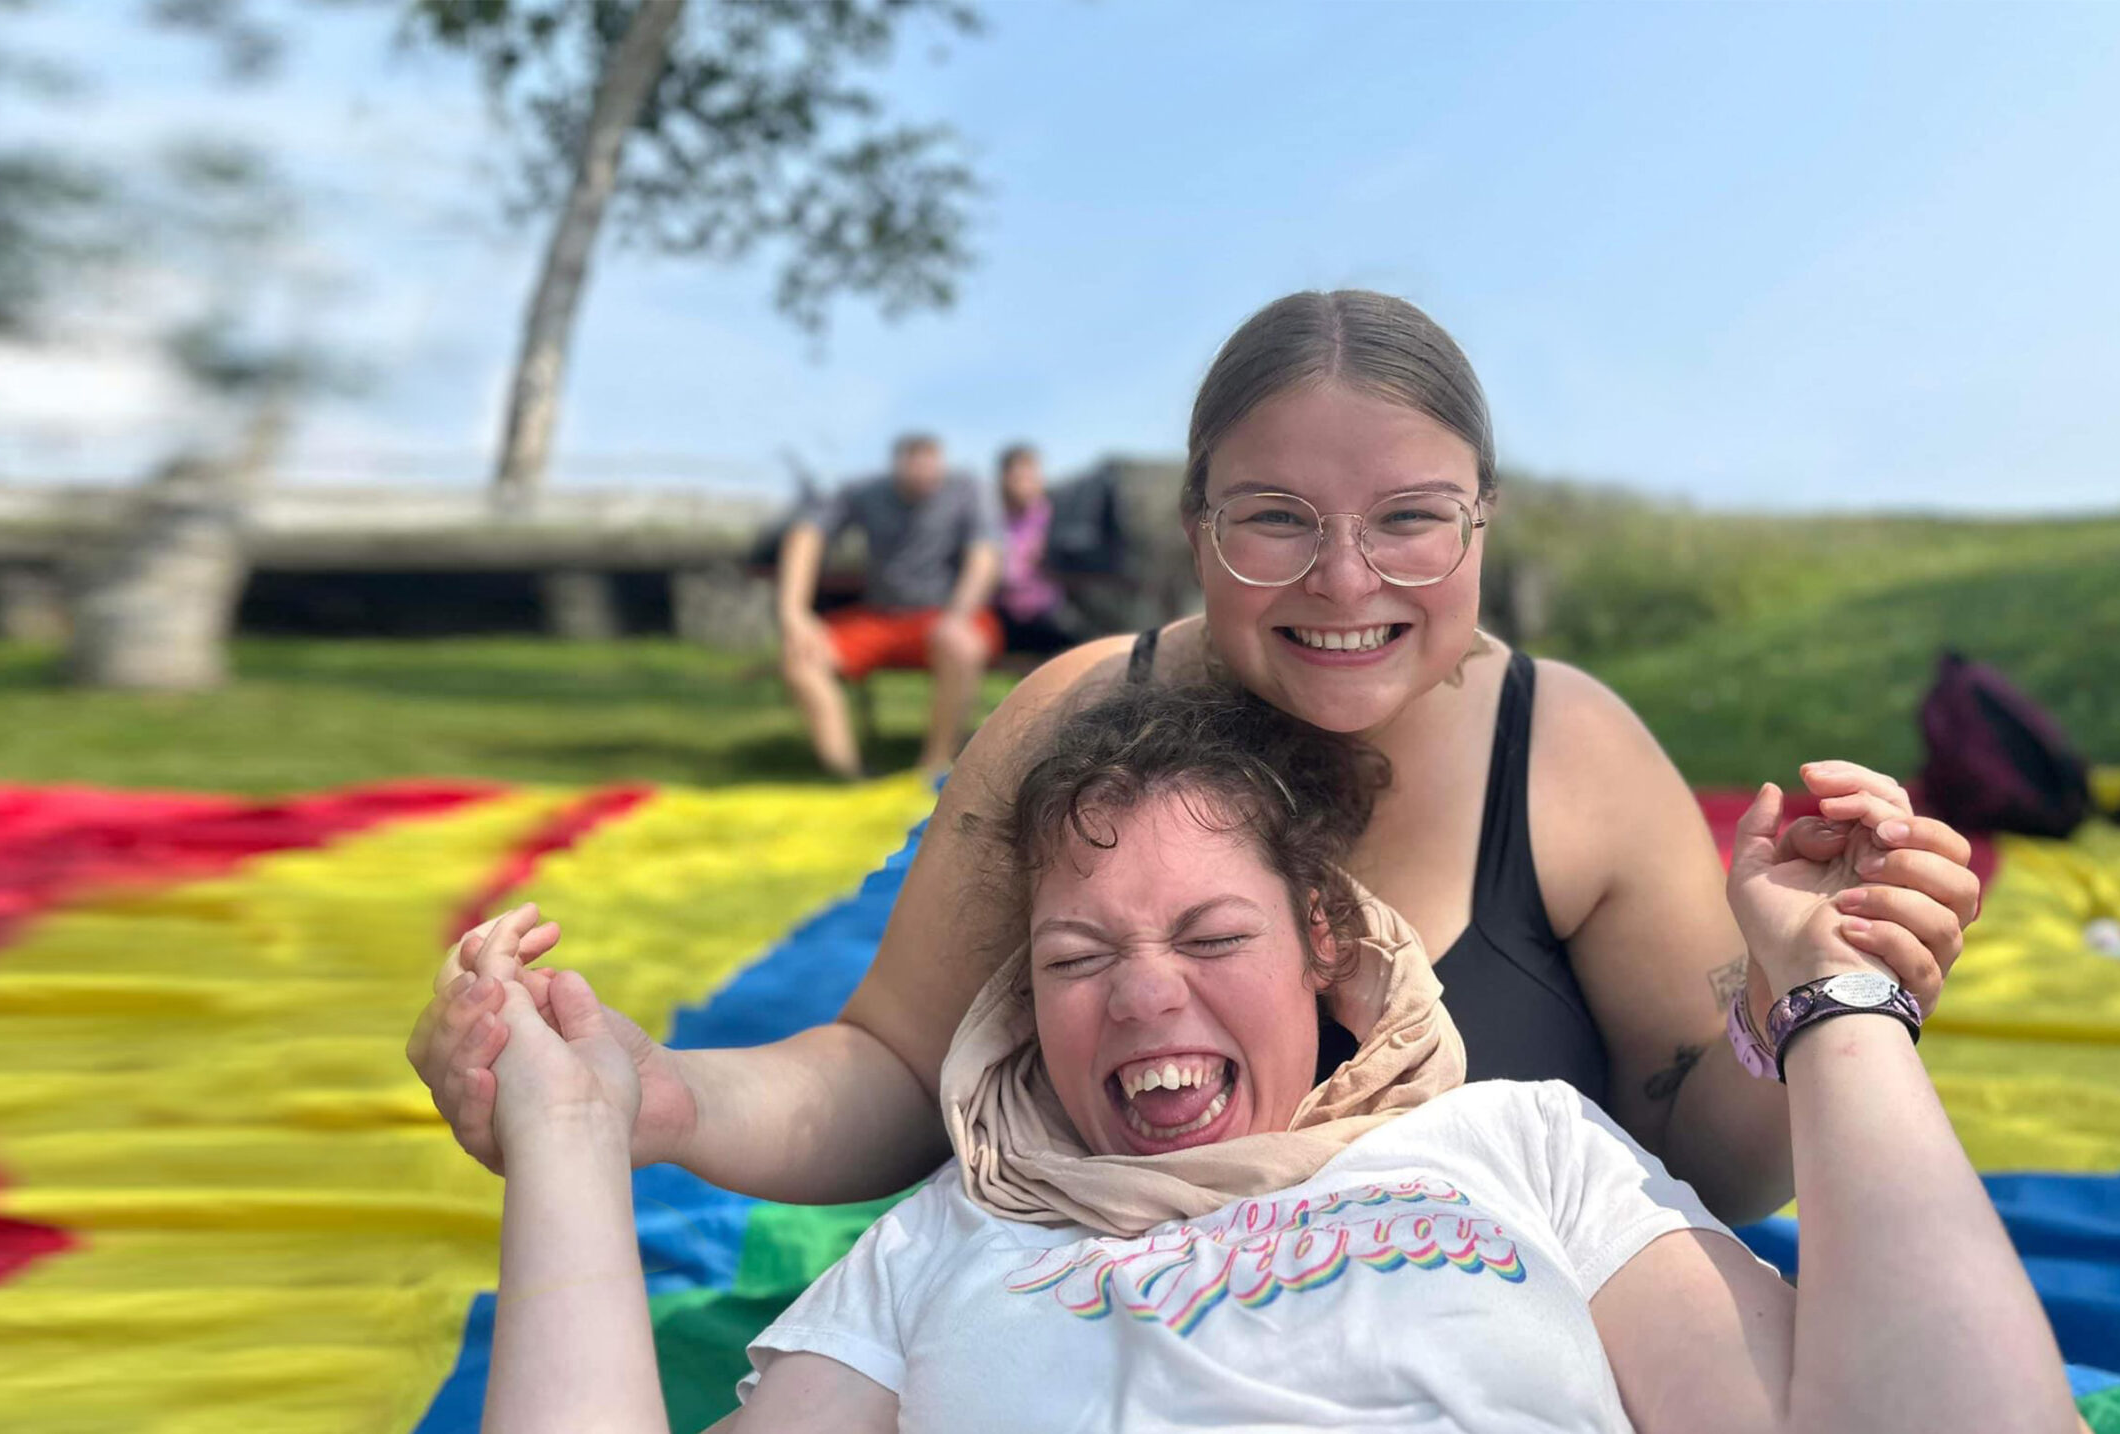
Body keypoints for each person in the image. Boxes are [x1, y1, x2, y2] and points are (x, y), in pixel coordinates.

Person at [414, 289, 1985, 1230]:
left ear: (1482, 523)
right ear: (1195, 529)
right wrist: (652, 1095)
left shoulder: (1564, 753)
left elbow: (1709, 1161)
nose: (1348, 581)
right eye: (1278, 518)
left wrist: (1815, 1003)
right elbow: (891, 1079)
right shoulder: (1078, 712)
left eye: (1411, 519)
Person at [454, 684, 2072, 1433]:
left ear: (1325, 945)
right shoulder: (944, 1238)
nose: (1144, 994)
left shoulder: (1522, 1147)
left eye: (1211, 936)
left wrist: (1834, 1000)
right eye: (1080, 955)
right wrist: (579, 1139)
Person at [776, 433, 1004, 778]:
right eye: (912, 462)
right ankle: (848, 776)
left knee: (959, 643)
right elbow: (807, 533)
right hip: (880, 618)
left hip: (946, 614)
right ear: (897, 464)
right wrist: (794, 613)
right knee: (800, 657)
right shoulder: (865, 491)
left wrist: (958, 614)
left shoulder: (969, 489)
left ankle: (935, 770)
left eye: (930, 462)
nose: (922, 473)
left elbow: (985, 556)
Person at [991, 443, 1084, 658]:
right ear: (1004, 479)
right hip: (1003, 611)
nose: (1026, 485)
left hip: (1047, 612)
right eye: (1018, 478)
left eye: (1031, 477)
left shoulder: (1057, 516)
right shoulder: (990, 518)